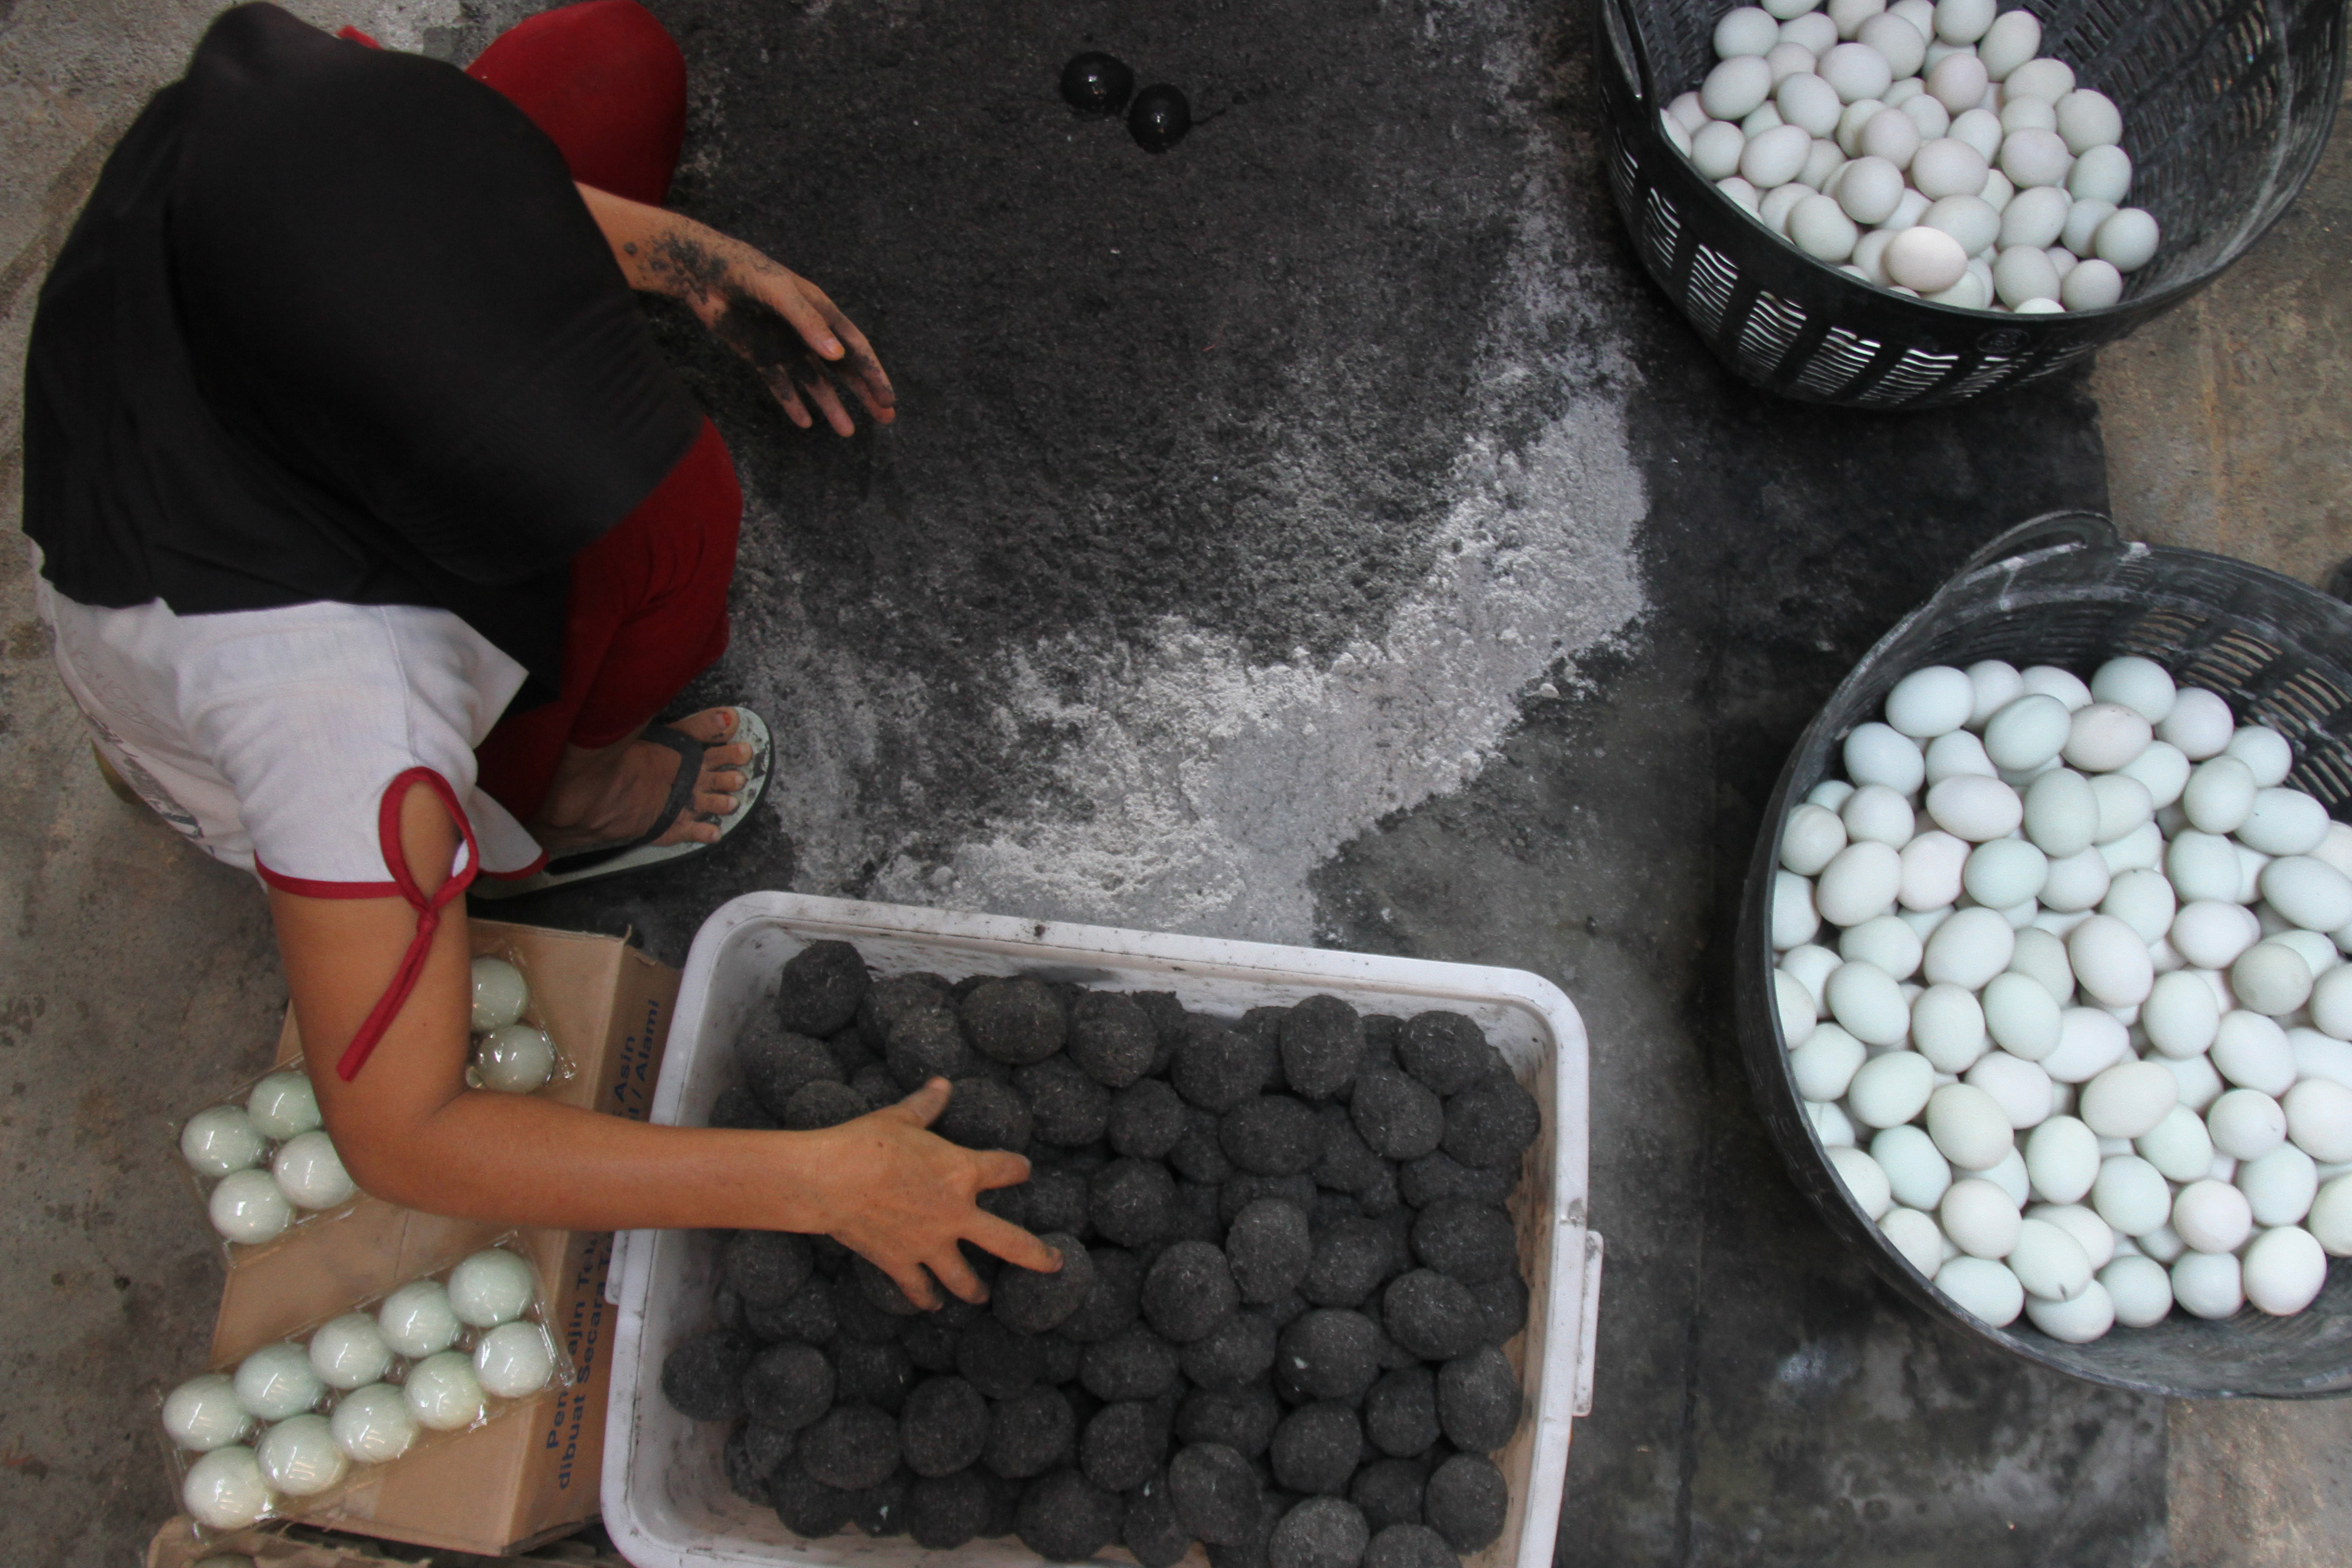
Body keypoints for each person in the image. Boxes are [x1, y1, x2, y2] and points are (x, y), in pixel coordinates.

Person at [21, 0, 1054, 1306]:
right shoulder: (341, 722)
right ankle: (564, 804)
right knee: (673, 523)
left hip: (206, 465)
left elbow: (413, 200)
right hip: (231, 686)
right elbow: (402, 1135)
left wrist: (692, 265)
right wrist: (816, 1181)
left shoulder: (252, 127)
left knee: (605, 65)